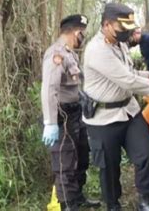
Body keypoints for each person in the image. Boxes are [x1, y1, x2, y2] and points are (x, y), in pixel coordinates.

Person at [83, 2, 149, 211]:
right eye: (122, 28)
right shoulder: (97, 50)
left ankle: (145, 199)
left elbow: (130, 72)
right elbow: (126, 80)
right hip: (103, 118)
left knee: (147, 153)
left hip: (129, 111)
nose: (128, 33)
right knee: (109, 166)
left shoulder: (120, 44)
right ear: (106, 25)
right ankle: (113, 205)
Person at [41, 15, 101, 211]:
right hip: (62, 116)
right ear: (77, 32)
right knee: (65, 164)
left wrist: (82, 96)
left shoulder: (71, 54)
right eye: (82, 33)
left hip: (76, 114)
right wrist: (50, 122)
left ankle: (77, 197)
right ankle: (67, 205)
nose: (83, 37)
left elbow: (72, 84)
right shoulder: (56, 54)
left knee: (81, 157)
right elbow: (49, 88)